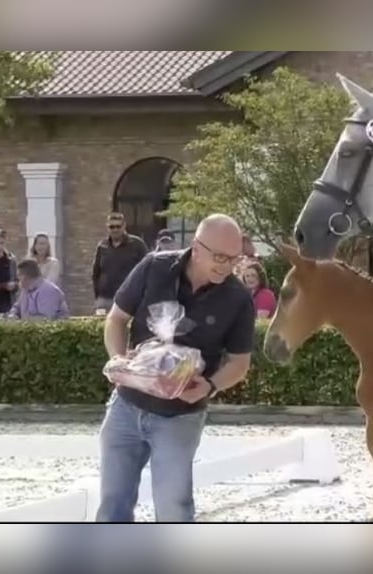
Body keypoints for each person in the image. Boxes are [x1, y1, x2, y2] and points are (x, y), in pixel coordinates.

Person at [98, 213, 256, 522]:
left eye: (234, 259)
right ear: (197, 247)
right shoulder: (154, 266)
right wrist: (119, 360)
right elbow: (116, 319)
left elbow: (239, 363)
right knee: (112, 504)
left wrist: (209, 386)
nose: (226, 266)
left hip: (180, 416)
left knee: (174, 507)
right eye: (220, 257)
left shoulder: (238, 299)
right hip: (126, 407)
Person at [92, 212, 148, 314]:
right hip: (105, 299)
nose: (115, 230)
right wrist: (98, 295)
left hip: (129, 298)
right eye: (112, 227)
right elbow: (96, 273)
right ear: (107, 228)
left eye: (118, 226)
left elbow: (146, 270)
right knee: (101, 328)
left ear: (124, 226)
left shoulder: (137, 244)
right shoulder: (102, 246)